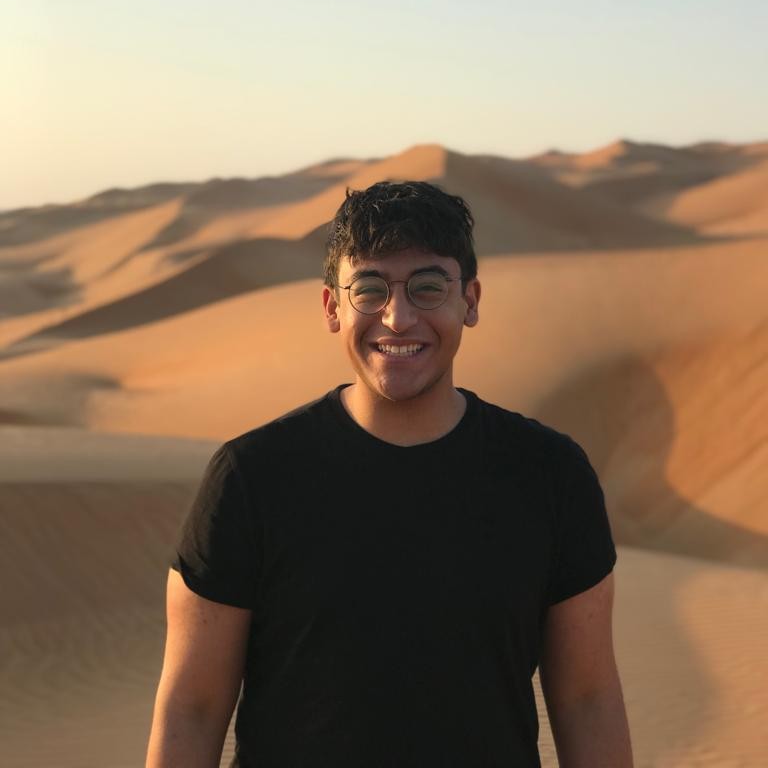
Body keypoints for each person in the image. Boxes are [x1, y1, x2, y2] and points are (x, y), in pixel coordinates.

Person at [146, 180, 633, 768]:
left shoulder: (550, 475)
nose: (397, 318)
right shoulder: (251, 478)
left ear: (470, 300)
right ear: (332, 307)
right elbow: (192, 709)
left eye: (428, 287)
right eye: (369, 289)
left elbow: (588, 700)